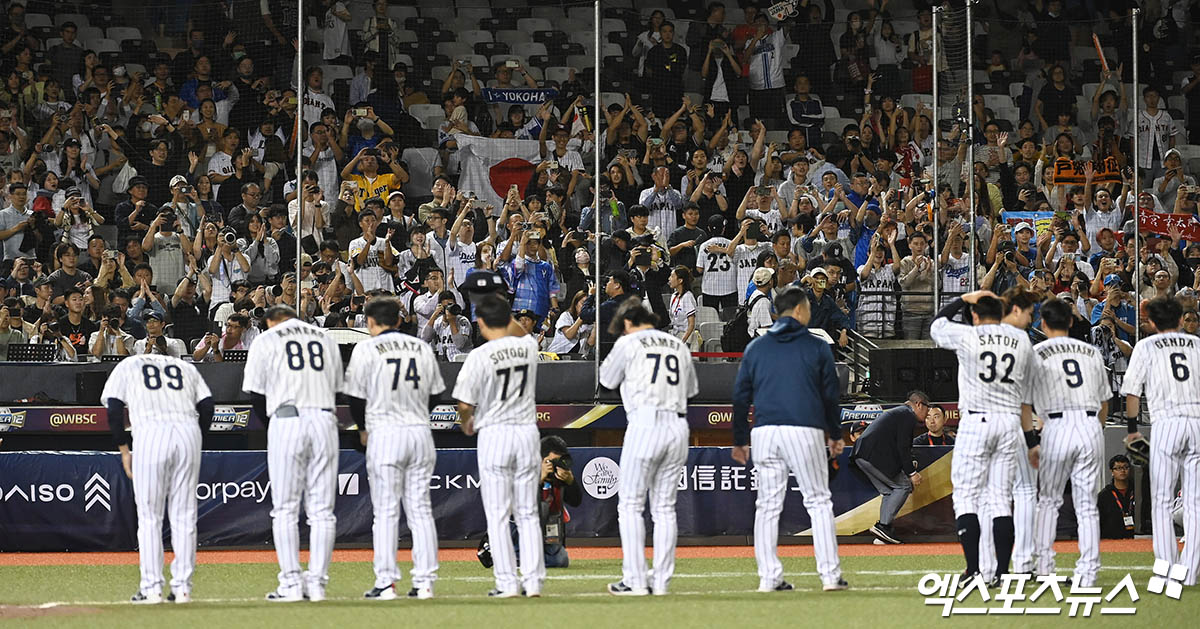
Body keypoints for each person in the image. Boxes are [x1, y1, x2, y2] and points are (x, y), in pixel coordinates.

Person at [731, 286, 847, 592]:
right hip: (804, 428)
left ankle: (769, 578)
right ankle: (830, 576)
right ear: (798, 310)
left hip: (765, 432)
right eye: (807, 307)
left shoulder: (756, 346)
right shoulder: (816, 345)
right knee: (819, 501)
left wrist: (740, 439)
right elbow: (830, 395)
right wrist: (835, 434)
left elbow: (741, 396)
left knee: (767, 505)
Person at [930, 289, 1037, 583]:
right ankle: (1001, 572)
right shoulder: (1021, 339)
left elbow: (936, 326)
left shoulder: (968, 335)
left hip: (977, 420)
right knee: (1001, 499)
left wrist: (963, 300)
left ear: (976, 315)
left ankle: (974, 569)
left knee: (966, 496)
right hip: (1009, 421)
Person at [343, 298, 443, 600]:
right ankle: (425, 582)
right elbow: (437, 395)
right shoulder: (421, 347)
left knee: (386, 512)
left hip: (385, 432)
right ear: (398, 320)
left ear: (370, 323)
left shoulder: (366, 348)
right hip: (419, 432)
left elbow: (356, 399)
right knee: (421, 510)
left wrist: (362, 429)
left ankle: (386, 582)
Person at [243, 305, 344, 601]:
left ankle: (290, 583)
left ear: (273, 320)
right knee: (323, 510)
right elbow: (337, 388)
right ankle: (317, 584)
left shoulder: (267, 339)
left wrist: (273, 423)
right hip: (324, 418)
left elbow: (254, 394)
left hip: (287, 419)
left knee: (286, 508)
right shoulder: (324, 337)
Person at [600, 298, 697, 595]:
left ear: (628, 322)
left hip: (645, 423)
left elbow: (606, 379)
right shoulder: (677, 345)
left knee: (630, 505)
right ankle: (661, 581)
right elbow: (691, 390)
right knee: (665, 508)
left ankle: (635, 580)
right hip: (678, 425)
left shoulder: (628, 343)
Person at [100, 352, 213, 604]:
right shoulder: (184, 365)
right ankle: (183, 588)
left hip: (151, 433)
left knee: (150, 516)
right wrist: (197, 438)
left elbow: (114, 407)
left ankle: (152, 589)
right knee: (184, 515)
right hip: (188, 432)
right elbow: (207, 406)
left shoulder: (129, 363)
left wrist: (123, 448)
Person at [452, 295, 544, 597]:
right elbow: (520, 331)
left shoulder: (480, 355)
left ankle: (507, 583)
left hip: (495, 433)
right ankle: (533, 582)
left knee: (499, 513)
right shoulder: (529, 346)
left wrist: (467, 421)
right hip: (527, 432)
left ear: (480, 322)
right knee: (528, 511)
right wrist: (506, 314)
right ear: (508, 319)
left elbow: (464, 402)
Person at [1027, 298, 1111, 587]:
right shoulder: (1091, 352)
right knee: (1086, 504)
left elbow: (1026, 402)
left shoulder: (1036, 352)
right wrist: (1094, 430)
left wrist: (1032, 441)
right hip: (1089, 424)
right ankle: (1088, 574)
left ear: (1043, 323)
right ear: (1072, 321)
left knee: (1048, 501)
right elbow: (1104, 403)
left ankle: (1044, 569)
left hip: (1056, 425)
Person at [1120, 297, 1200, 586]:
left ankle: (1167, 568)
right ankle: (1190, 572)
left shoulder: (1146, 345)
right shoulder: (1198, 344)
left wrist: (1131, 429)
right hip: (1198, 422)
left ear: (1152, 323)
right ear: (1181, 319)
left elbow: (1131, 392)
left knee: (1163, 500)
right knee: (1195, 502)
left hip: (1166, 424)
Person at [850, 391, 931, 545]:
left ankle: (883, 534)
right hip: (872, 455)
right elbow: (903, 447)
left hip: (862, 454)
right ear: (919, 404)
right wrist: (912, 473)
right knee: (903, 486)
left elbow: (899, 447)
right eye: (927, 409)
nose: (927, 414)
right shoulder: (907, 414)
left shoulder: (900, 413)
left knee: (889, 491)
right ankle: (883, 526)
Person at [1098, 455, 1136, 539]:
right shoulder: (1104, 495)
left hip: (1135, 538)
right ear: (1112, 471)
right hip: (1111, 539)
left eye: (1125, 467)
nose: (1122, 471)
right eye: (1118, 468)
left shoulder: (1137, 491)